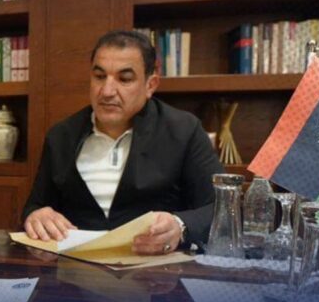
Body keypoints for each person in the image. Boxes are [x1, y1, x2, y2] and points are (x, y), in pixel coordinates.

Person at [22, 30, 223, 255]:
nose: (107, 91)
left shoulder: (183, 130)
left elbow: (221, 208)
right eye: (99, 76)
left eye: (124, 79)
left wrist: (180, 225)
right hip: (77, 265)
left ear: (150, 85)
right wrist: (37, 216)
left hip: (158, 269)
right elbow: (35, 206)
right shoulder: (61, 135)